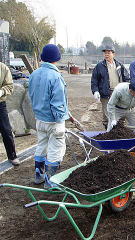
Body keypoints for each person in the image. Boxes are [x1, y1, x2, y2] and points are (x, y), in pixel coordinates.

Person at [29, 44, 70, 188]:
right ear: (56, 58)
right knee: (55, 150)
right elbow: (58, 103)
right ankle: (50, 181)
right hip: (53, 121)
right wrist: (61, 120)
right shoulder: (56, 77)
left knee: (41, 146)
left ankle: (38, 175)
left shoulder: (34, 74)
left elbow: (32, 96)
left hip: (39, 119)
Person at [106, 79, 135, 157]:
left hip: (132, 109)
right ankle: (109, 151)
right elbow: (110, 105)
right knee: (111, 129)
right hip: (118, 109)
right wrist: (113, 119)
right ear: (131, 91)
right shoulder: (119, 90)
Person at [91, 45, 130, 124]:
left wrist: (128, 89)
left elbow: (127, 78)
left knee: (120, 113)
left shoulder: (119, 65)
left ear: (113, 54)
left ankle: (119, 130)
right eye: (105, 53)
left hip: (119, 93)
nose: (106, 54)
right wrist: (95, 91)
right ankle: (108, 131)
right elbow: (94, 80)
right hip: (106, 94)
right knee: (107, 115)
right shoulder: (99, 66)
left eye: (109, 52)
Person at [0, 62, 20, 166]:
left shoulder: (3, 68)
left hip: (0, 104)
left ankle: (12, 156)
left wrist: (2, 91)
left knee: (6, 130)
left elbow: (9, 85)